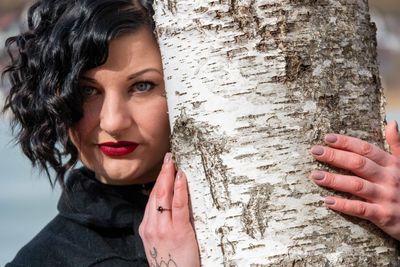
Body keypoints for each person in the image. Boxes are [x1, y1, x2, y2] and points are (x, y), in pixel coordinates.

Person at [2, 0, 399, 266]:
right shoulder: (46, 259)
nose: (113, 121)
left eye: (142, 86)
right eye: (88, 91)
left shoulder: (291, 202)